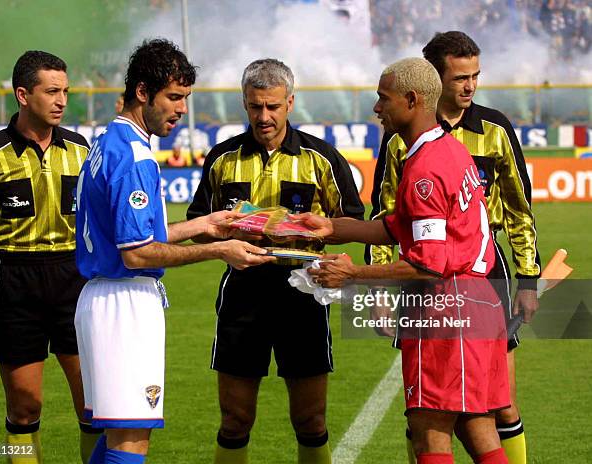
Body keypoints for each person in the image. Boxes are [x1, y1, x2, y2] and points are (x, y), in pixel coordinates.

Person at [300, 57, 510, 464]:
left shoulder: (424, 169)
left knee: (429, 433)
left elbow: (427, 265)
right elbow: (399, 226)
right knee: (477, 426)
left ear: (411, 100)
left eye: (384, 98)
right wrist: (330, 227)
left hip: (447, 310)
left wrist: (353, 274)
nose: (377, 108)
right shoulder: (448, 149)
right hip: (479, 303)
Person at [74, 39, 273, 464]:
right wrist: (219, 250)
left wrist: (206, 224)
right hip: (124, 303)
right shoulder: (133, 156)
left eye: (185, 97)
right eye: (175, 97)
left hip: (102, 299)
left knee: (117, 437)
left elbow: (133, 235)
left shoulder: (108, 141)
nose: (182, 109)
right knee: (130, 442)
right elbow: (138, 253)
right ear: (143, 92)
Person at [367, 31, 539, 464]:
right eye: (460, 76)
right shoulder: (404, 141)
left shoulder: (490, 130)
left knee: (472, 409)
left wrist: (528, 275)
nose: (470, 86)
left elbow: (519, 207)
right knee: (448, 413)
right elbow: (388, 214)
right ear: (433, 81)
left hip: (464, 276)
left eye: (475, 76)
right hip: (440, 278)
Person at [187, 58, 364, 464]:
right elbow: (198, 225)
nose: (263, 117)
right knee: (235, 419)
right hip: (243, 291)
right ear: (244, 104)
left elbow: (353, 220)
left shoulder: (321, 158)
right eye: (254, 107)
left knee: (310, 419)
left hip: (302, 290)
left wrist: (308, 230)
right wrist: (231, 231)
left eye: (272, 106)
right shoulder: (223, 158)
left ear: (290, 102)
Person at [0, 50, 101, 463]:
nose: (62, 100)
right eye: (51, 91)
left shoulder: (81, 150)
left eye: (65, 91)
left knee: (93, 405)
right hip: (15, 279)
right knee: (24, 408)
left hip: (75, 278)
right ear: (22, 95)